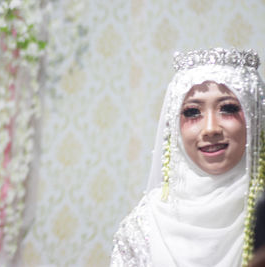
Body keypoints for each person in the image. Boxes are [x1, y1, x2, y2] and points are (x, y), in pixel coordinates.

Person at [111, 48, 265, 267]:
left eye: (228, 108)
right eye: (193, 112)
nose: (210, 129)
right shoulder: (143, 224)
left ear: (254, 117)